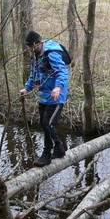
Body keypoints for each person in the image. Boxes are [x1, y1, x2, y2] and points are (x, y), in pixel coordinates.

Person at [20, 30, 69, 167]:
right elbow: (34, 73)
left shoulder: (51, 54)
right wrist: (27, 88)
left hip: (55, 97)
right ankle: (59, 149)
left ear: (38, 43)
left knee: (49, 124)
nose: (30, 49)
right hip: (43, 96)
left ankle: (47, 154)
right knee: (43, 123)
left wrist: (58, 87)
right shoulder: (36, 56)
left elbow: (62, 72)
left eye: (32, 47)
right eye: (29, 47)